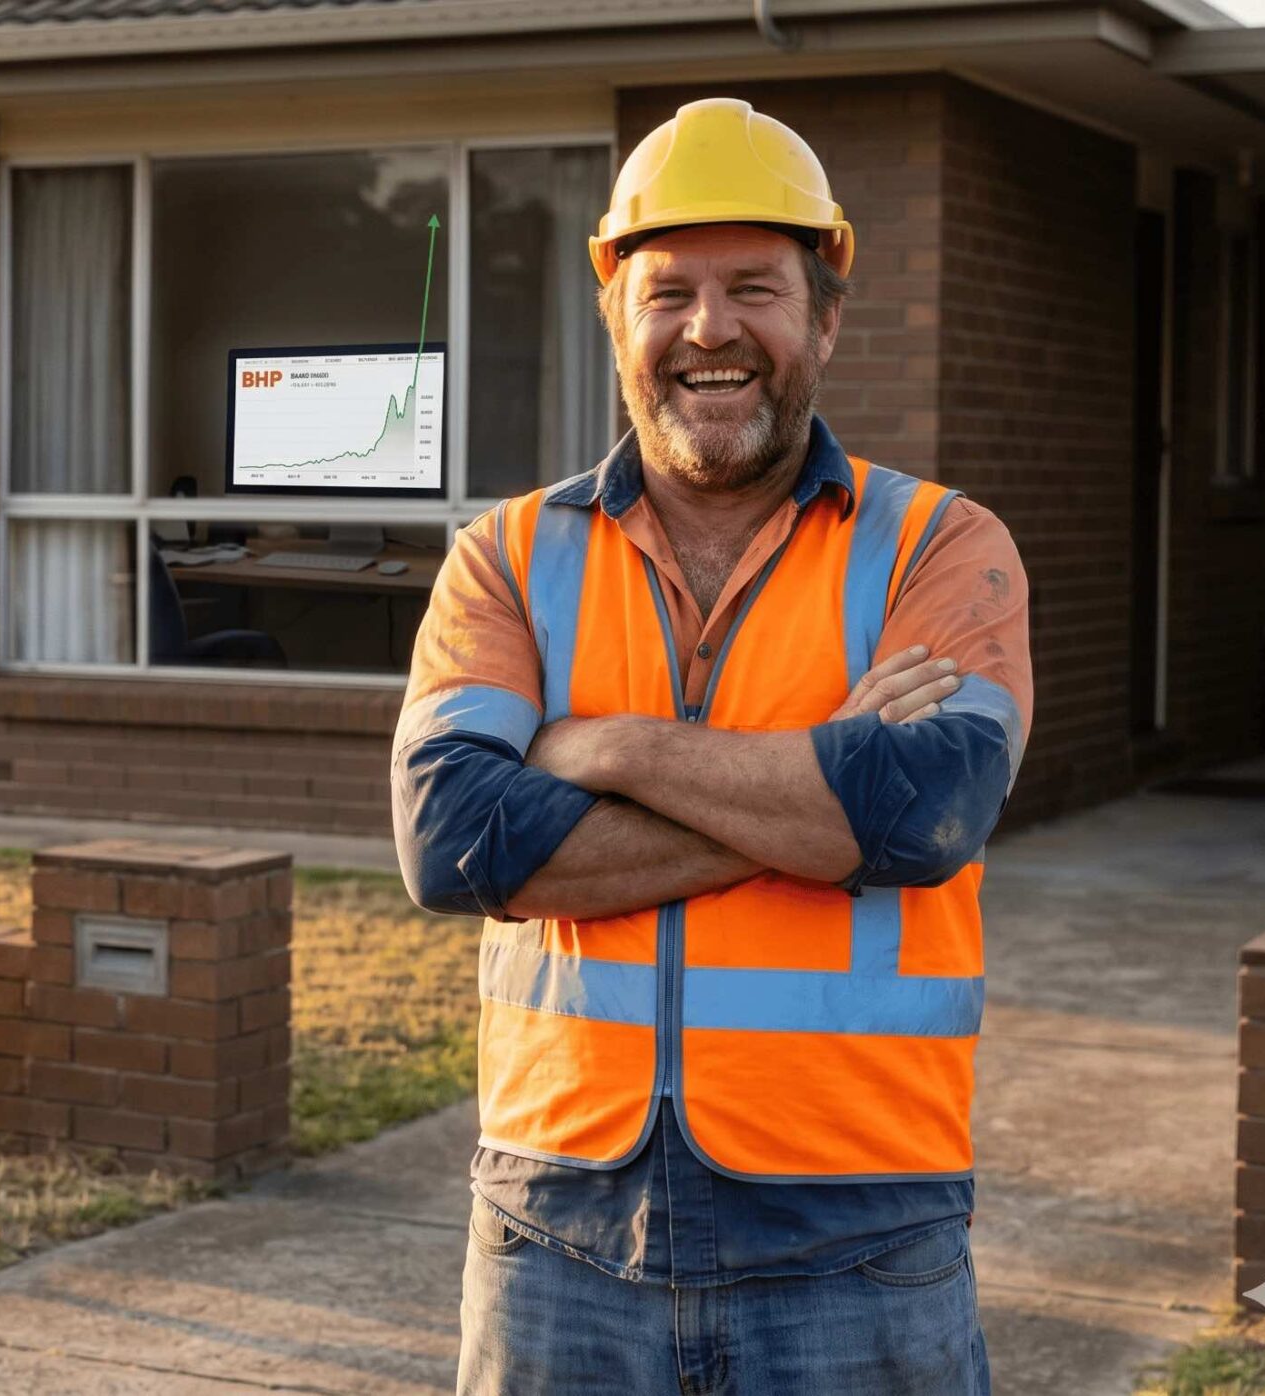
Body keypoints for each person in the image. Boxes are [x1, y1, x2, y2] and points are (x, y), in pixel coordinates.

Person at [392, 96, 1034, 1395]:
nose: (710, 330)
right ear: (616, 315)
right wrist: (812, 787)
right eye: (669, 290)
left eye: (756, 288)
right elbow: (457, 841)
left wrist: (604, 746)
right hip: (553, 1226)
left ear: (827, 318)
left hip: (861, 1227)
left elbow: (918, 820)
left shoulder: (943, 550)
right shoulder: (506, 559)